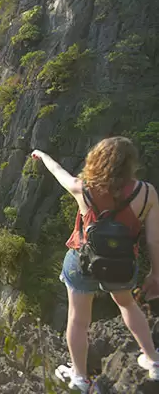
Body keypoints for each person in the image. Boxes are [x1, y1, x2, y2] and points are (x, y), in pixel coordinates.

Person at [32, 137, 159, 393]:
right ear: (130, 163)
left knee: (78, 319)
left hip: (82, 261)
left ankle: (80, 378)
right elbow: (153, 238)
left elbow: (59, 172)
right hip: (122, 265)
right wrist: (156, 273)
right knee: (127, 305)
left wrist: (42, 156)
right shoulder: (147, 193)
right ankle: (153, 361)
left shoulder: (84, 189)